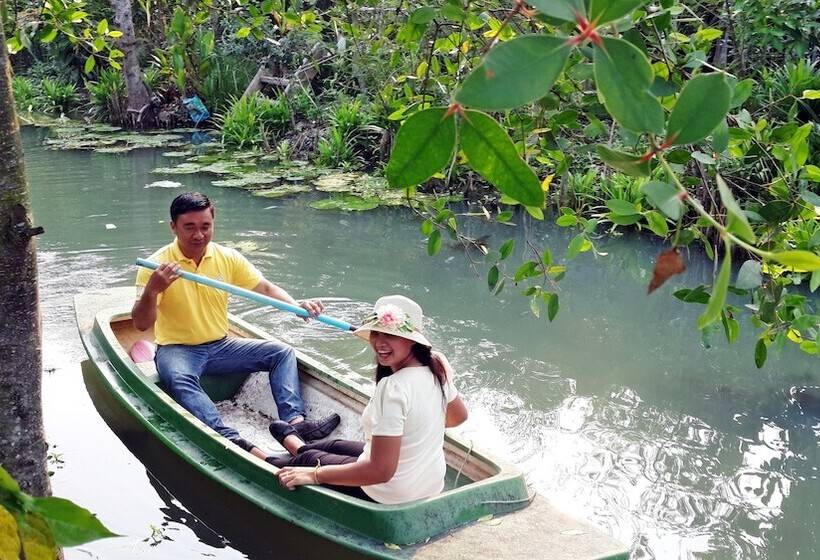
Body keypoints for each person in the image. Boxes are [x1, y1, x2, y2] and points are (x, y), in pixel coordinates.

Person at [133, 192, 340, 458]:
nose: (199, 235)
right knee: (179, 379)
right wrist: (153, 290)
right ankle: (231, 439)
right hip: (177, 349)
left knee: (281, 352)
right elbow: (140, 324)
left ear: (213, 223)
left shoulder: (226, 257)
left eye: (205, 226)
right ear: (173, 226)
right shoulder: (156, 266)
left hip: (221, 345)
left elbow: (263, 286)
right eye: (189, 227)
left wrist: (296, 306)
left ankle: (297, 425)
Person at [266, 295, 469, 504]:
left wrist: (314, 475)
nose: (380, 342)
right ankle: (297, 446)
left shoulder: (394, 387)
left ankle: (266, 457)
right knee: (335, 445)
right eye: (377, 332)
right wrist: (416, 426)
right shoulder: (436, 368)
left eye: (391, 335)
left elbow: (380, 471)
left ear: (412, 341)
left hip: (389, 493)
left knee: (308, 462)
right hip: (427, 483)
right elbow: (458, 417)